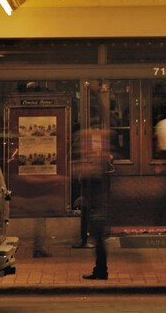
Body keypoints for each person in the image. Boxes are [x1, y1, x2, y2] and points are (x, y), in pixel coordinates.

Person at [74, 120, 113, 280]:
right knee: (98, 237)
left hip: (97, 203)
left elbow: (94, 179)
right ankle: (100, 269)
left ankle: (101, 270)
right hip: (97, 202)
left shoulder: (97, 162)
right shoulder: (100, 158)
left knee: (98, 236)